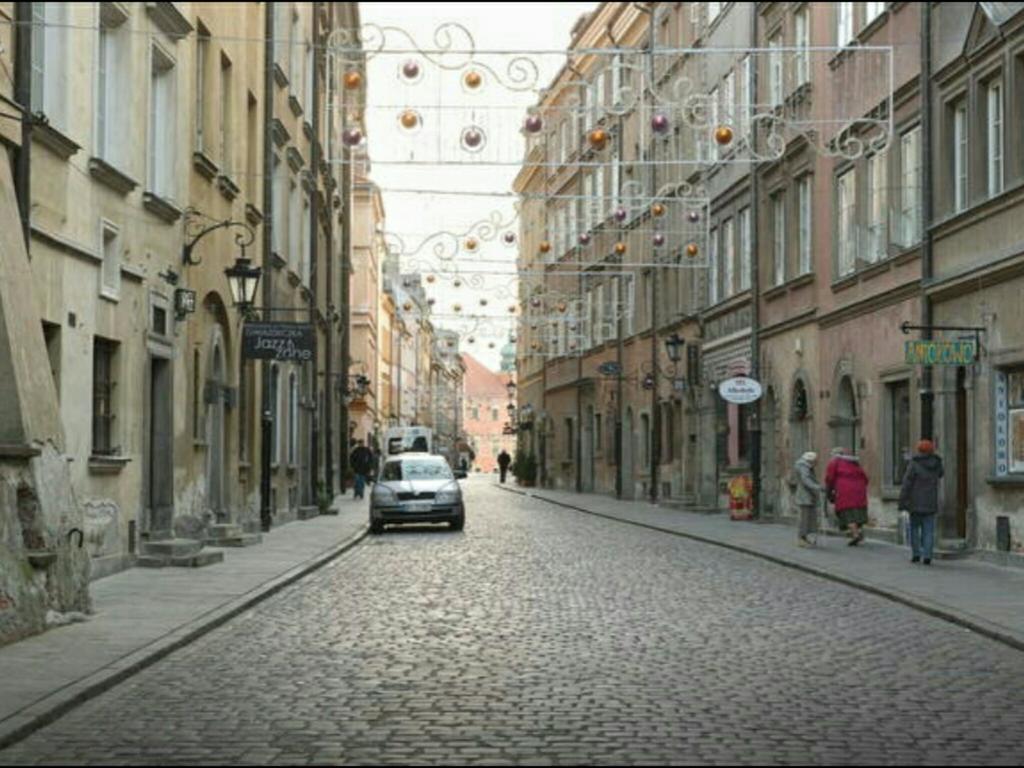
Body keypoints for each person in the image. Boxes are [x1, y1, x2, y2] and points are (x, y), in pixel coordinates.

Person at [899, 439, 944, 565]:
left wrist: (902, 500)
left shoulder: (914, 463)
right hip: (930, 501)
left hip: (915, 501)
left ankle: (916, 554)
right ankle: (928, 555)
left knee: (914, 528)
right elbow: (941, 474)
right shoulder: (936, 462)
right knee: (928, 529)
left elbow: (907, 483)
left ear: (919, 450)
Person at [825, 447, 869, 547]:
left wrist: (829, 493)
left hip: (845, 491)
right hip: (859, 491)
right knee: (858, 513)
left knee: (847, 513)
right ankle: (858, 531)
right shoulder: (854, 463)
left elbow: (829, 478)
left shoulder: (835, 462)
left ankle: (855, 534)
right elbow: (865, 478)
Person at [793, 452, 825, 547]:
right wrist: (818, 487)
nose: (817, 462)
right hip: (805, 496)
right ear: (811, 460)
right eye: (816, 461)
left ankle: (805, 537)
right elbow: (806, 480)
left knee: (809, 518)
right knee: (804, 518)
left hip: (808, 496)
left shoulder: (806, 466)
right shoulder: (804, 467)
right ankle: (801, 538)